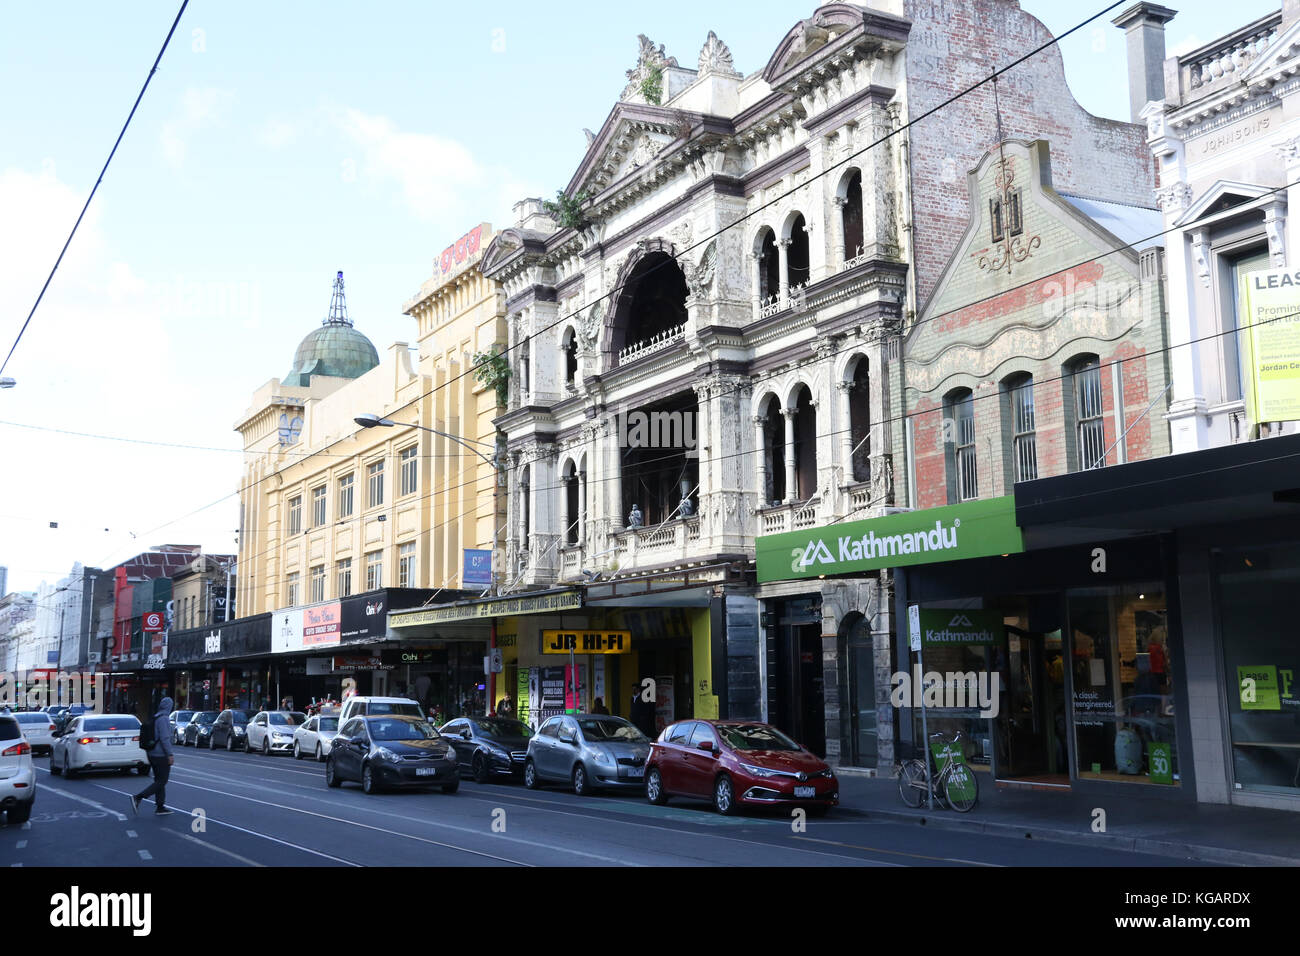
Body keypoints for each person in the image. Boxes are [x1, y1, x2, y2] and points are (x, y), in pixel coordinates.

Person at [132, 696, 176, 816]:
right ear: (169, 706)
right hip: (160, 754)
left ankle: (160, 806)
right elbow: (165, 738)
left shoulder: (155, 716)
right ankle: (139, 797)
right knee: (162, 780)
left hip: (151, 752)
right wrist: (170, 754)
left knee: (159, 780)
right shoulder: (164, 719)